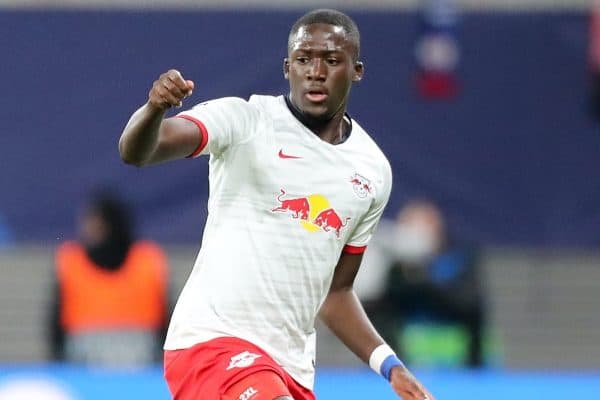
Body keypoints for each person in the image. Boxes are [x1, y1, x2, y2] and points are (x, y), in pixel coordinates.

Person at [119, 9, 434, 400]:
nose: (315, 71)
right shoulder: (245, 121)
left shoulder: (371, 172)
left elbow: (335, 293)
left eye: (332, 60)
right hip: (213, 343)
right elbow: (138, 152)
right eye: (304, 59)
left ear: (357, 71)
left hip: (290, 367)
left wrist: (390, 367)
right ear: (287, 68)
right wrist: (154, 109)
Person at [50, 191, 169, 367]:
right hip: (82, 362)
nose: (87, 229)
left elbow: (167, 319)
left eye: (96, 223)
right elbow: (55, 324)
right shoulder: (70, 261)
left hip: (142, 362)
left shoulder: (148, 260)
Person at [363, 200, 485, 367]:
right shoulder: (393, 269)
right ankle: (389, 366)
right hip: (400, 338)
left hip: (449, 313)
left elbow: (469, 304)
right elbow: (373, 305)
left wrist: (423, 277)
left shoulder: (457, 260)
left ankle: (474, 366)